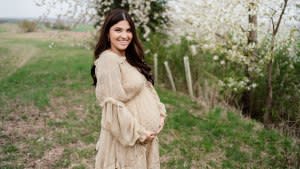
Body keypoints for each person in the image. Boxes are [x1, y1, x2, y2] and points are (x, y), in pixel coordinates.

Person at [90, 8, 167, 169]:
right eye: (118, 30)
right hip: (127, 141)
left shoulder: (128, 57)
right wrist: (140, 133)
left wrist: (160, 112)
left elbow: (146, 87)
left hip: (143, 141)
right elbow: (112, 107)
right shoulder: (108, 61)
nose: (124, 36)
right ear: (107, 34)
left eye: (128, 30)